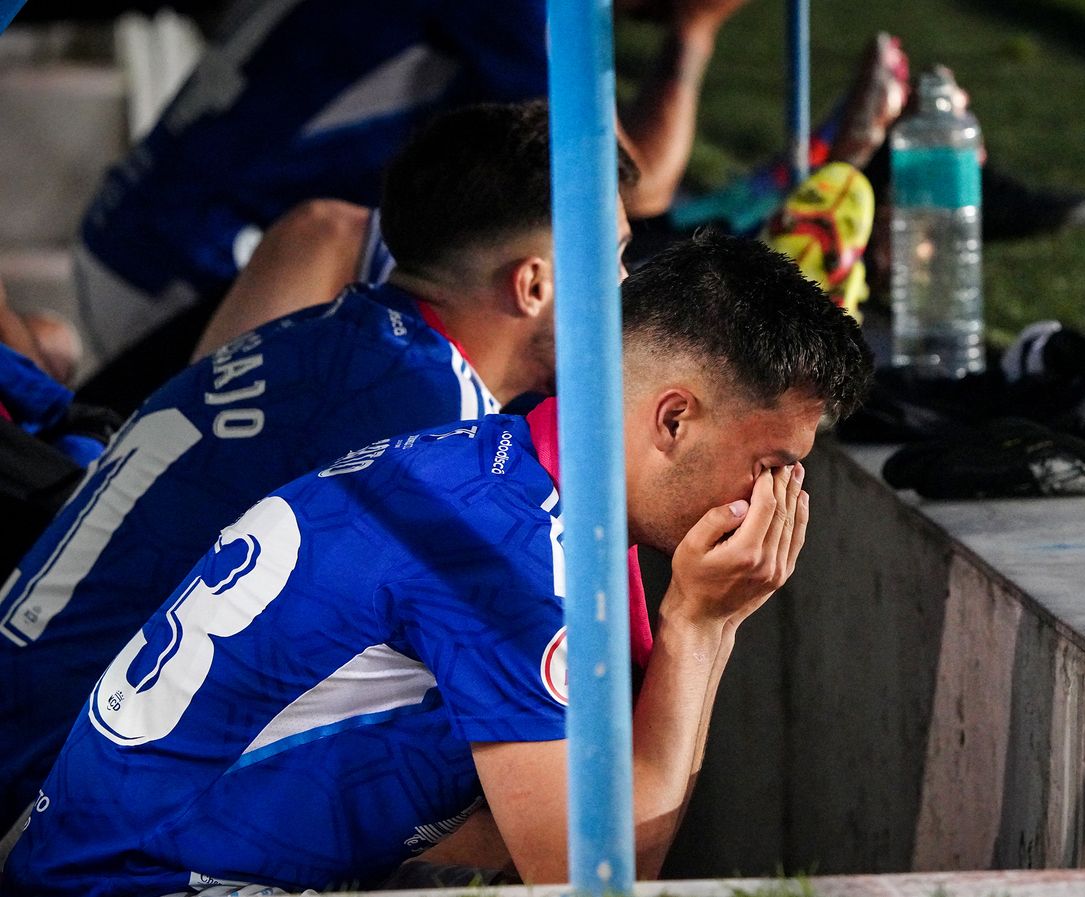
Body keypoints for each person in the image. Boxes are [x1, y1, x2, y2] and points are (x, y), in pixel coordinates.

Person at [1, 233, 874, 894]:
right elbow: (601, 872)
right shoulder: (509, 556)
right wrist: (704, 624)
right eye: (772, 465)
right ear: (673, 419)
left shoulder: (497, 464)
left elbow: (491, 829)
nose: (779, 500)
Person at [0, 101, 635, 828]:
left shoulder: (324, 339)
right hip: (49, 805)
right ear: (533, 285)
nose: (628, 290)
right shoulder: (431, 433)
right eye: (614, 259)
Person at [71, 0, 749, 414]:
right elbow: (630, 185)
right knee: (368, 255)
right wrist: (696, 30)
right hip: (183, 264)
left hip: (137, 230)